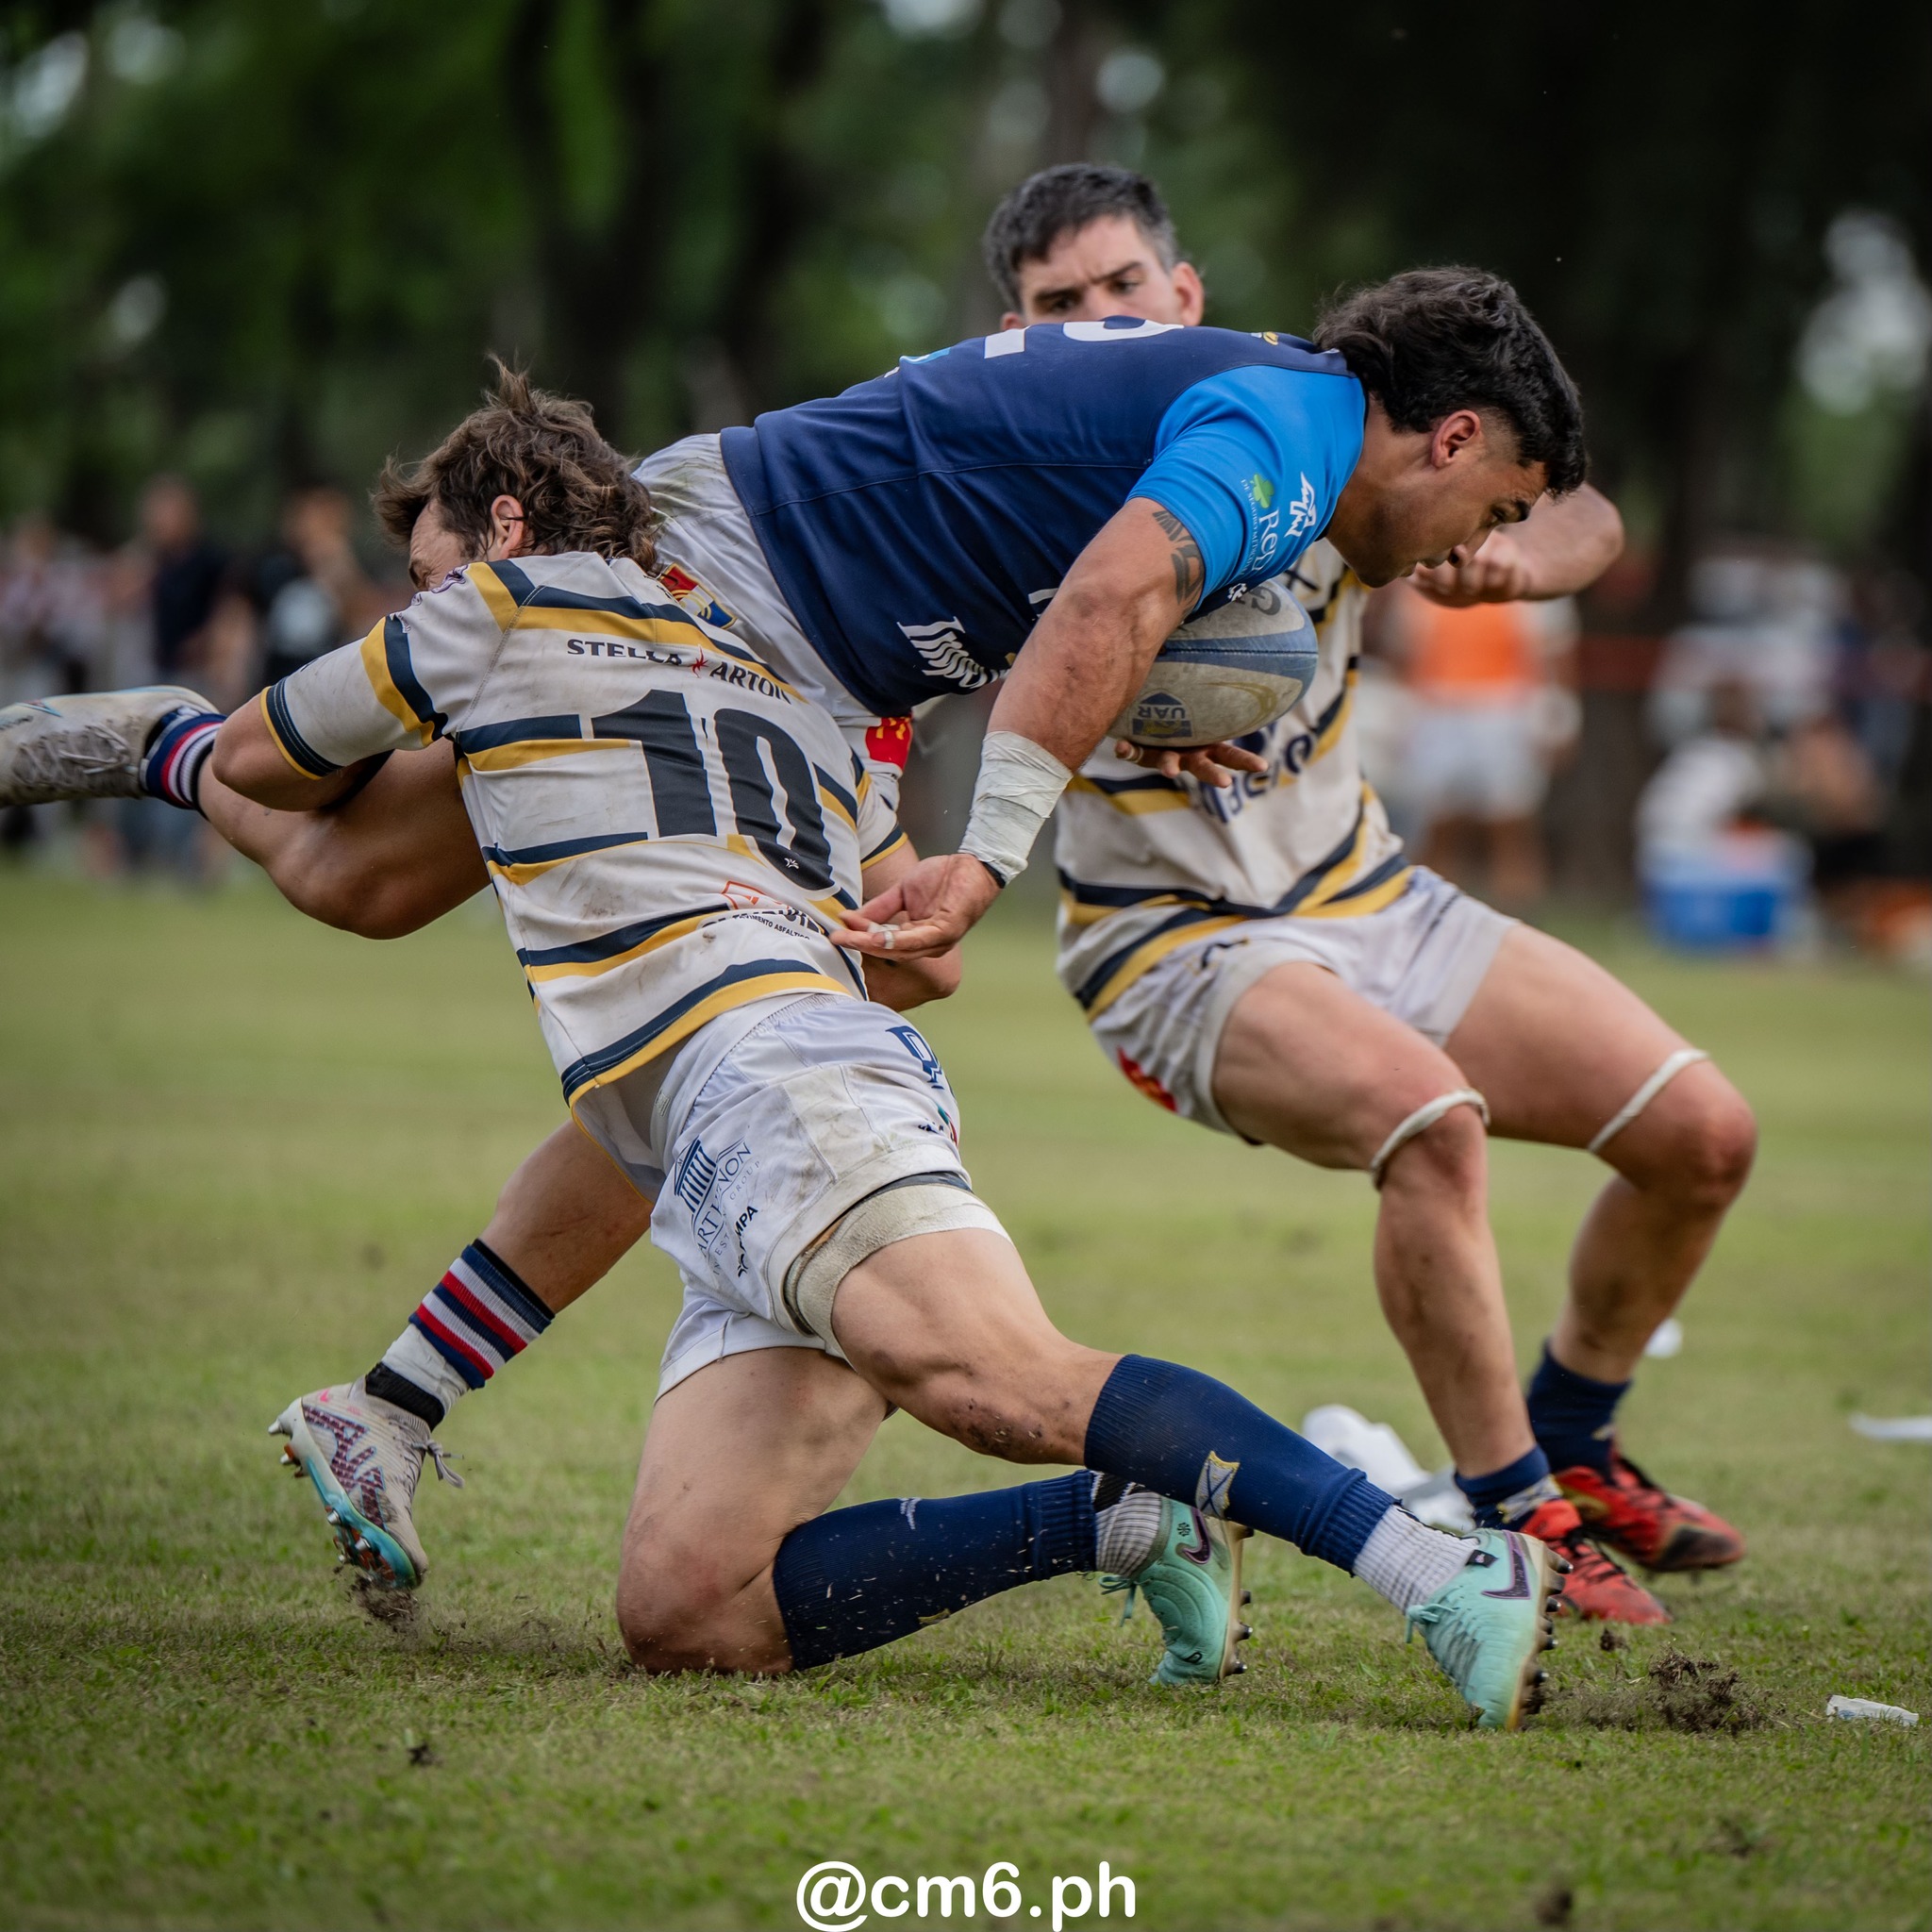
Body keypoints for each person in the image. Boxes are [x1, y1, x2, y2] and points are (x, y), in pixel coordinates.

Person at [4, 265, 1591, 1632]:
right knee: (384, 883)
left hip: (830, 673)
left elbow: (1105, 620)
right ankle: (155, 751)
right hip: (741, 589)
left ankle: (392, 1401)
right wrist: (987, 851)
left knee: (700, 995)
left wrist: (968, 847)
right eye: (1493, 502)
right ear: (1454, 433)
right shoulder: (1290, 423)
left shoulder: (1260, 433)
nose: (1472, 547)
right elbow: (1119, 586)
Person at [985, 166, 1752, 1622]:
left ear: (1185, 292)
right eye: (1056, 306)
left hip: (1366, 892)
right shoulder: (1034, 482)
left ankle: (1579, 1444)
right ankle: (1513, 1520)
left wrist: (1512, 557)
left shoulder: (1321, 428)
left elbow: (1588, 513)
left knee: (1704, 1137)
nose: (1097, 319)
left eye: (1119, 288)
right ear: (1013, 328)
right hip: (1175, 943)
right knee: (1433, 1124)